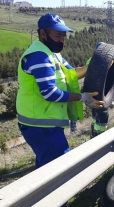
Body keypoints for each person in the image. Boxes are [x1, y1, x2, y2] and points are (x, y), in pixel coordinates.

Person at [16, 13, 104, 169]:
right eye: (58, 35)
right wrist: (82, 97)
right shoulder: (39, 57)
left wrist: (98, 66)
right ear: (43, 33)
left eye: (64, 36)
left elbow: (72, 73)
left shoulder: (53, 54)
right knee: (57, 169)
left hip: (46, 122)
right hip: (41, 125)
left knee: (46, 166)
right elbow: (49, 93)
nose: (62, 40)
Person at [86, 42, 110, 138]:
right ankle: (99, 137)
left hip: (92, 91)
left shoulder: (90, 60)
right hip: (102, 90)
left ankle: (93, 133)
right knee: (103, 111)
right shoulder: (106, 60)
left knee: (95, 113)